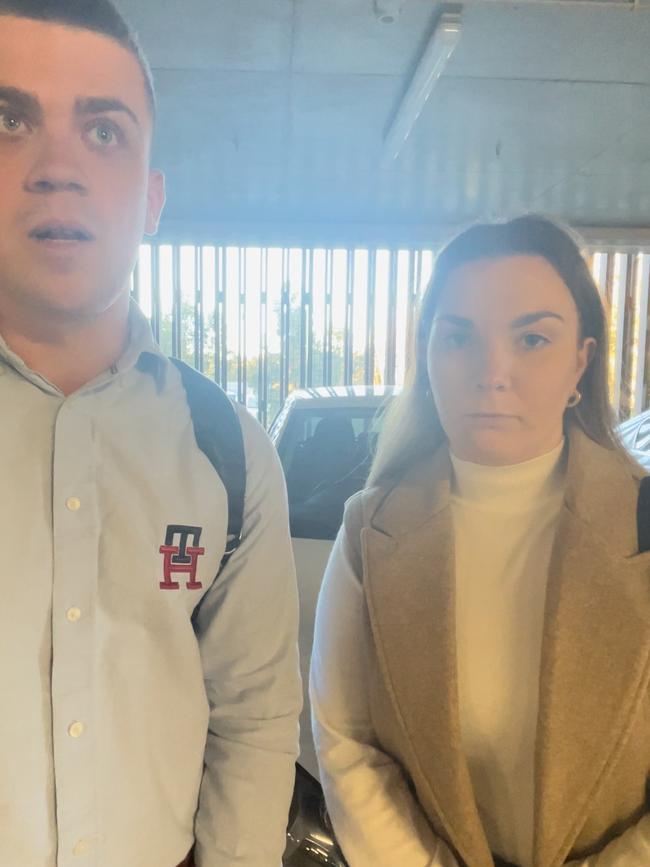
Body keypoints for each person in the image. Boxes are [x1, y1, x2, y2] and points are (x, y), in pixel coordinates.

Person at [0, 2, 301, 866]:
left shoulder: (229, 452)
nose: (57, 168)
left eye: (103, 132)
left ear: (152, 198)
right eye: (10, 119)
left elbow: (251, 715)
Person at [310, 215, 650, 867]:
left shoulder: (644, 522)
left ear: (581, 358)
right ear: (428, 356)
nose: (493, 371)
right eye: (459, 336)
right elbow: (346, 740)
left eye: (531, 338)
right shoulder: (370, 533)